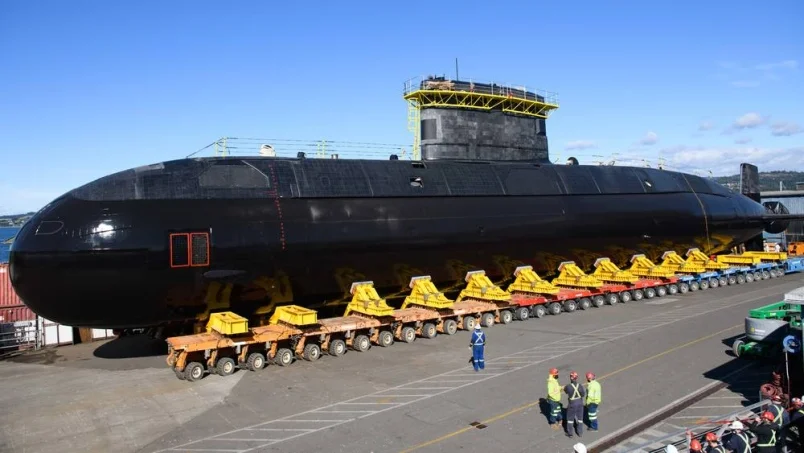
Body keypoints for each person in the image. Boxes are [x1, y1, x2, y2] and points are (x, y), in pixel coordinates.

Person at [565, 371, 587, 438]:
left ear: (571, 378)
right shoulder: (580, 385)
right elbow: (583, 394)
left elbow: (566, 391)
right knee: (580, 419)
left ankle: (570, 433)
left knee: (570, 419)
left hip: (572, 404)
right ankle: (580, 433)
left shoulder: (568, 386)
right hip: (580, 403)